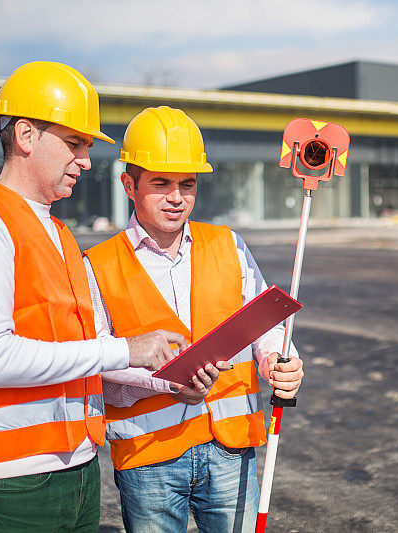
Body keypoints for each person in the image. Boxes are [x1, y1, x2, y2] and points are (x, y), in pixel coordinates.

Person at [0, 62, 188, 531]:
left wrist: (162, 372)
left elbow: (78, 351)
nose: (86, 161)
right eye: (75, 143)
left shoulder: (60, 234)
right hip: (5, 481)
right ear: (25, 135)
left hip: (75, 470)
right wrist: (128, 348)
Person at [84, 105, 304, 533]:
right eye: (160, 183)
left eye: (188, 184)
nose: (176, 197)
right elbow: (96, 354)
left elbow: (264, 322)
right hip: (150, 456)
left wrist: (277, 359)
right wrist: (166, 382)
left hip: (229, 446)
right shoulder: (98, 265)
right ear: (129, 184)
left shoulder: (228, 244)